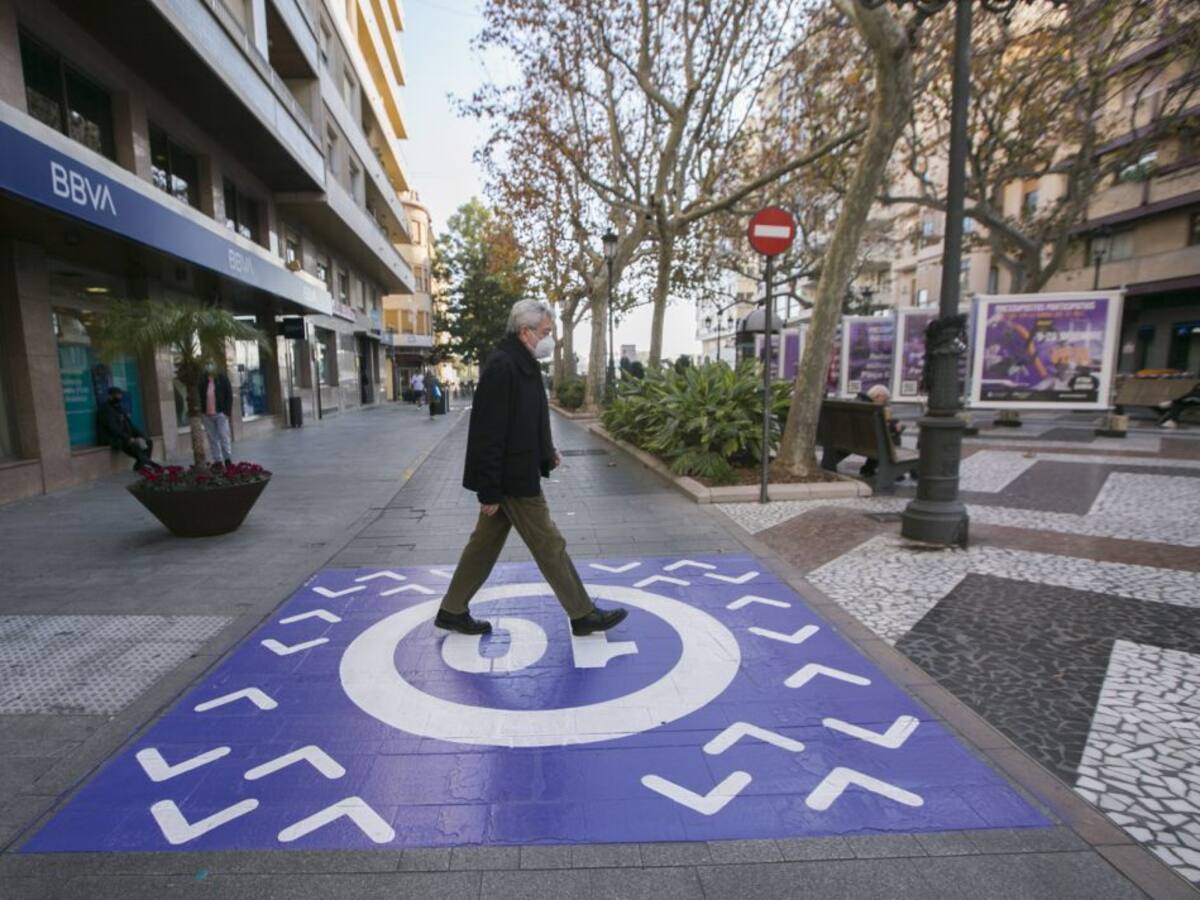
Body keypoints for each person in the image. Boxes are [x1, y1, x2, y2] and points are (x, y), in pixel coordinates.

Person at [435, 299, 627, 637]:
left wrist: (545, 450)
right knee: (550, 543)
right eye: (546, 332)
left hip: (518, 469)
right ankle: (582, 614)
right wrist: (489, 489)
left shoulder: (523, 363)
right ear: (525, 332)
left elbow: (528, 418)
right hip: (511, 479)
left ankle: (452, 610)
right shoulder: (503, 366)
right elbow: (489, 432)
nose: (550, 338)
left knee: (483, 546)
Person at [97, 387, 159, 471]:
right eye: (117, 395)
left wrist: (141, 435)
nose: (119, 397)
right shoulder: (106, 409)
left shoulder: (118, 408)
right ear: (110, 396)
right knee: (133, 446)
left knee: (148, 441)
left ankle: (141, 464)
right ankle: (146, 464)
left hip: (125, 435)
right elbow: (113, 428)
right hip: (114, 438)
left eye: (120, 395)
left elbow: (129, 424)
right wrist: (128, 438)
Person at [857, 384, 904, 479]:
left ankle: (868, 468)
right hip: (871, 441)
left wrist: (894, 423)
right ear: (878, 396)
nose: (886, 401)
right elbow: (881, 426)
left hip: (859, 440)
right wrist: (895, 427)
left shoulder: (863, 403)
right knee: (893, 437)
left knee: (886, 437)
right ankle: (897, 471)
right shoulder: (874, 407)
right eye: (885, 398)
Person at [196, 362, 234, 466]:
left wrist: (227, 412)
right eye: (208, 365)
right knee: (212, 438)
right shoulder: (203, 381)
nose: (209, 367)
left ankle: (227, 459)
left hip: (220, 413)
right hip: (207, 415)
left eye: (211, 364)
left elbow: (229, 396)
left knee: (223, 436)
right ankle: (217, 460)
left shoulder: (222, 379)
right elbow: (199, 395)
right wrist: (201, 412)